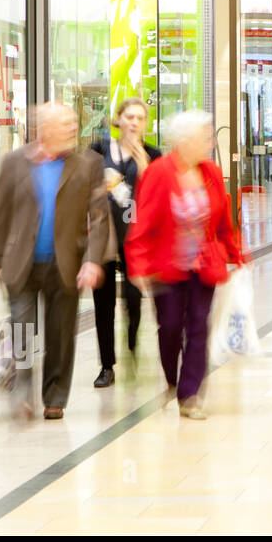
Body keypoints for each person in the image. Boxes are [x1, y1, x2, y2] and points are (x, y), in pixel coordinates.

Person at [0, 102, 110, 422]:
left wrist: (92, 261)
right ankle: (22, 392)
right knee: (22, 330)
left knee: (60, 335)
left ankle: (55, 397)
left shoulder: (87, 165)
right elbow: (1, 213)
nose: (73, 128)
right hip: (21, 263)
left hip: (65, 263)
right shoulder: (14, 163)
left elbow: (99, 218)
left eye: (73, 122)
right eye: (65, 123)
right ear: (44, 129)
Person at [126, 111, 248, 420]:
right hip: (166, 267)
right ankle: (172, 378)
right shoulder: (158, 173)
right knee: (169, 328)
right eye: (205, 138)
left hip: (203, 266)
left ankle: (190, 394)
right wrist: (137, 264)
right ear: (184, 141)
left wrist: (236, 254)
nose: (210, 143)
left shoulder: (211, 172)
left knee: (198, 327)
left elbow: (223, 221)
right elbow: (142, 223)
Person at [89, 97, 161, 388]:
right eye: (129, 116)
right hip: (104, 236)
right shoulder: (99, 150)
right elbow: (84, 186)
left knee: (133, 298)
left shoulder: (152, 154)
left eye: (140, 118)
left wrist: (144, 169)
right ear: (117, 119)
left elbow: (158, 196)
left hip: (136, 238)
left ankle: (131, 344)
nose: (134, 123)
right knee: (103, 303)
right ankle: (107, 365)